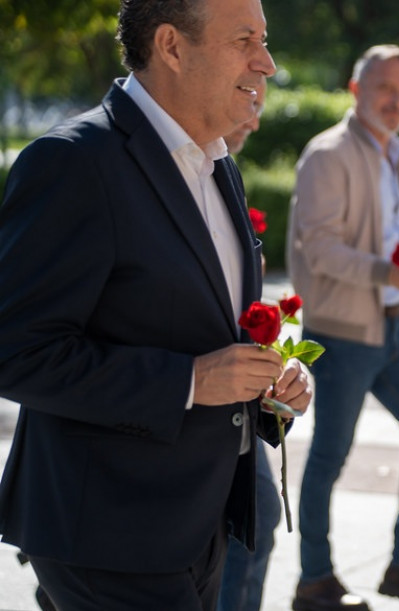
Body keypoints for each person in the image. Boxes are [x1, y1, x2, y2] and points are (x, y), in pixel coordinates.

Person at [0, 0, 312, 609]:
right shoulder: (74, 162)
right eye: (245, 40)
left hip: (198, 523)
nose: (267, 63)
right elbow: (16, 351)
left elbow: (198, 323)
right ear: (171, 46)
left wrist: (269, 380)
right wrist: (191, 381)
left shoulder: (216, 162)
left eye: (265, 40)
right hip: (108, 532)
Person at [287, 45, 399, 611]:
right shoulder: (328, 155)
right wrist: (391, 273)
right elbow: (319, 251)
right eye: (383, 88)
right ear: (354, 89)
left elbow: (390, 234)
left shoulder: (393, 154)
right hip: (342, 333)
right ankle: (314, 581)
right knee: (329, 459)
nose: (395, 101)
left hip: (395, 330)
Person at [218, 85, 282, 611]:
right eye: (251, 104)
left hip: (236, 407)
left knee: (260, 518)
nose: (255, 121)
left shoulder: (222, 173)